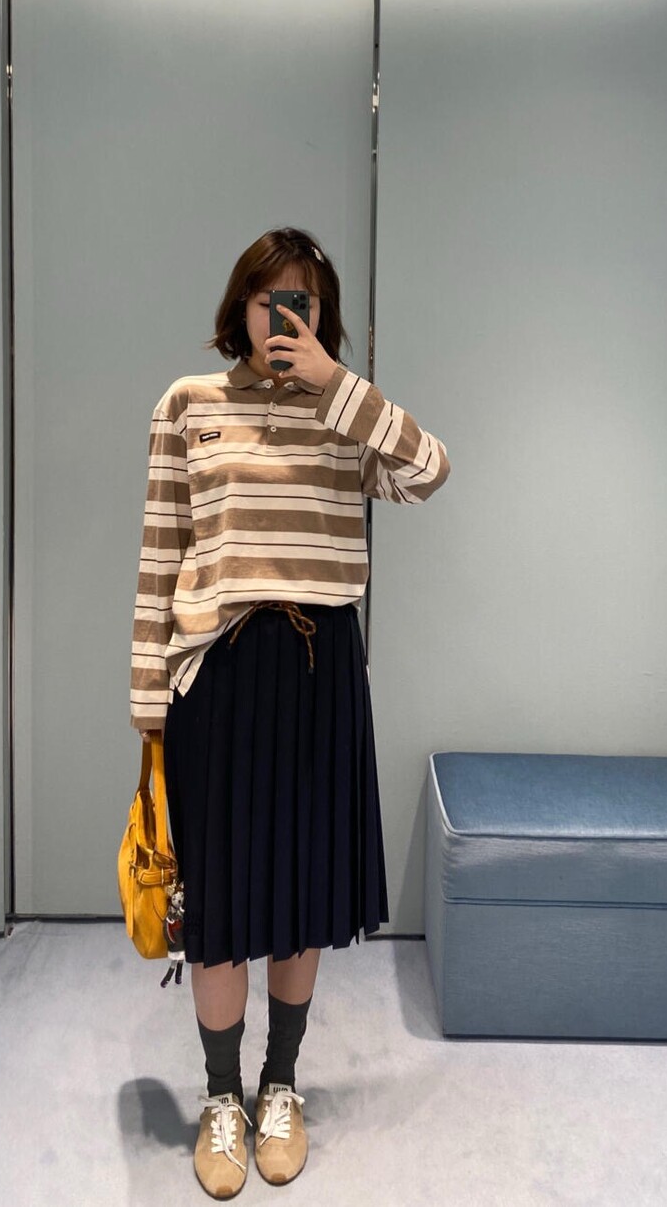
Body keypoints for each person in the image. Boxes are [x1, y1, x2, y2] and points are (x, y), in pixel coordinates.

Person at [130, 226, 450, 1198]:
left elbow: (430, 469)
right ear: (241, 305)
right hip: (217, 678)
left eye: (302, 299)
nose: (284, 314)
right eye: (270, 296)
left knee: (300, 897)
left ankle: (280, 1085)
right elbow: (161, 552)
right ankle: (221, 1099)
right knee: (220, 903)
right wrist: (148, 699)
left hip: (319, 675)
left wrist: (336, 383)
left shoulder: (346, 412)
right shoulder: (188, 405)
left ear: (323, 314)